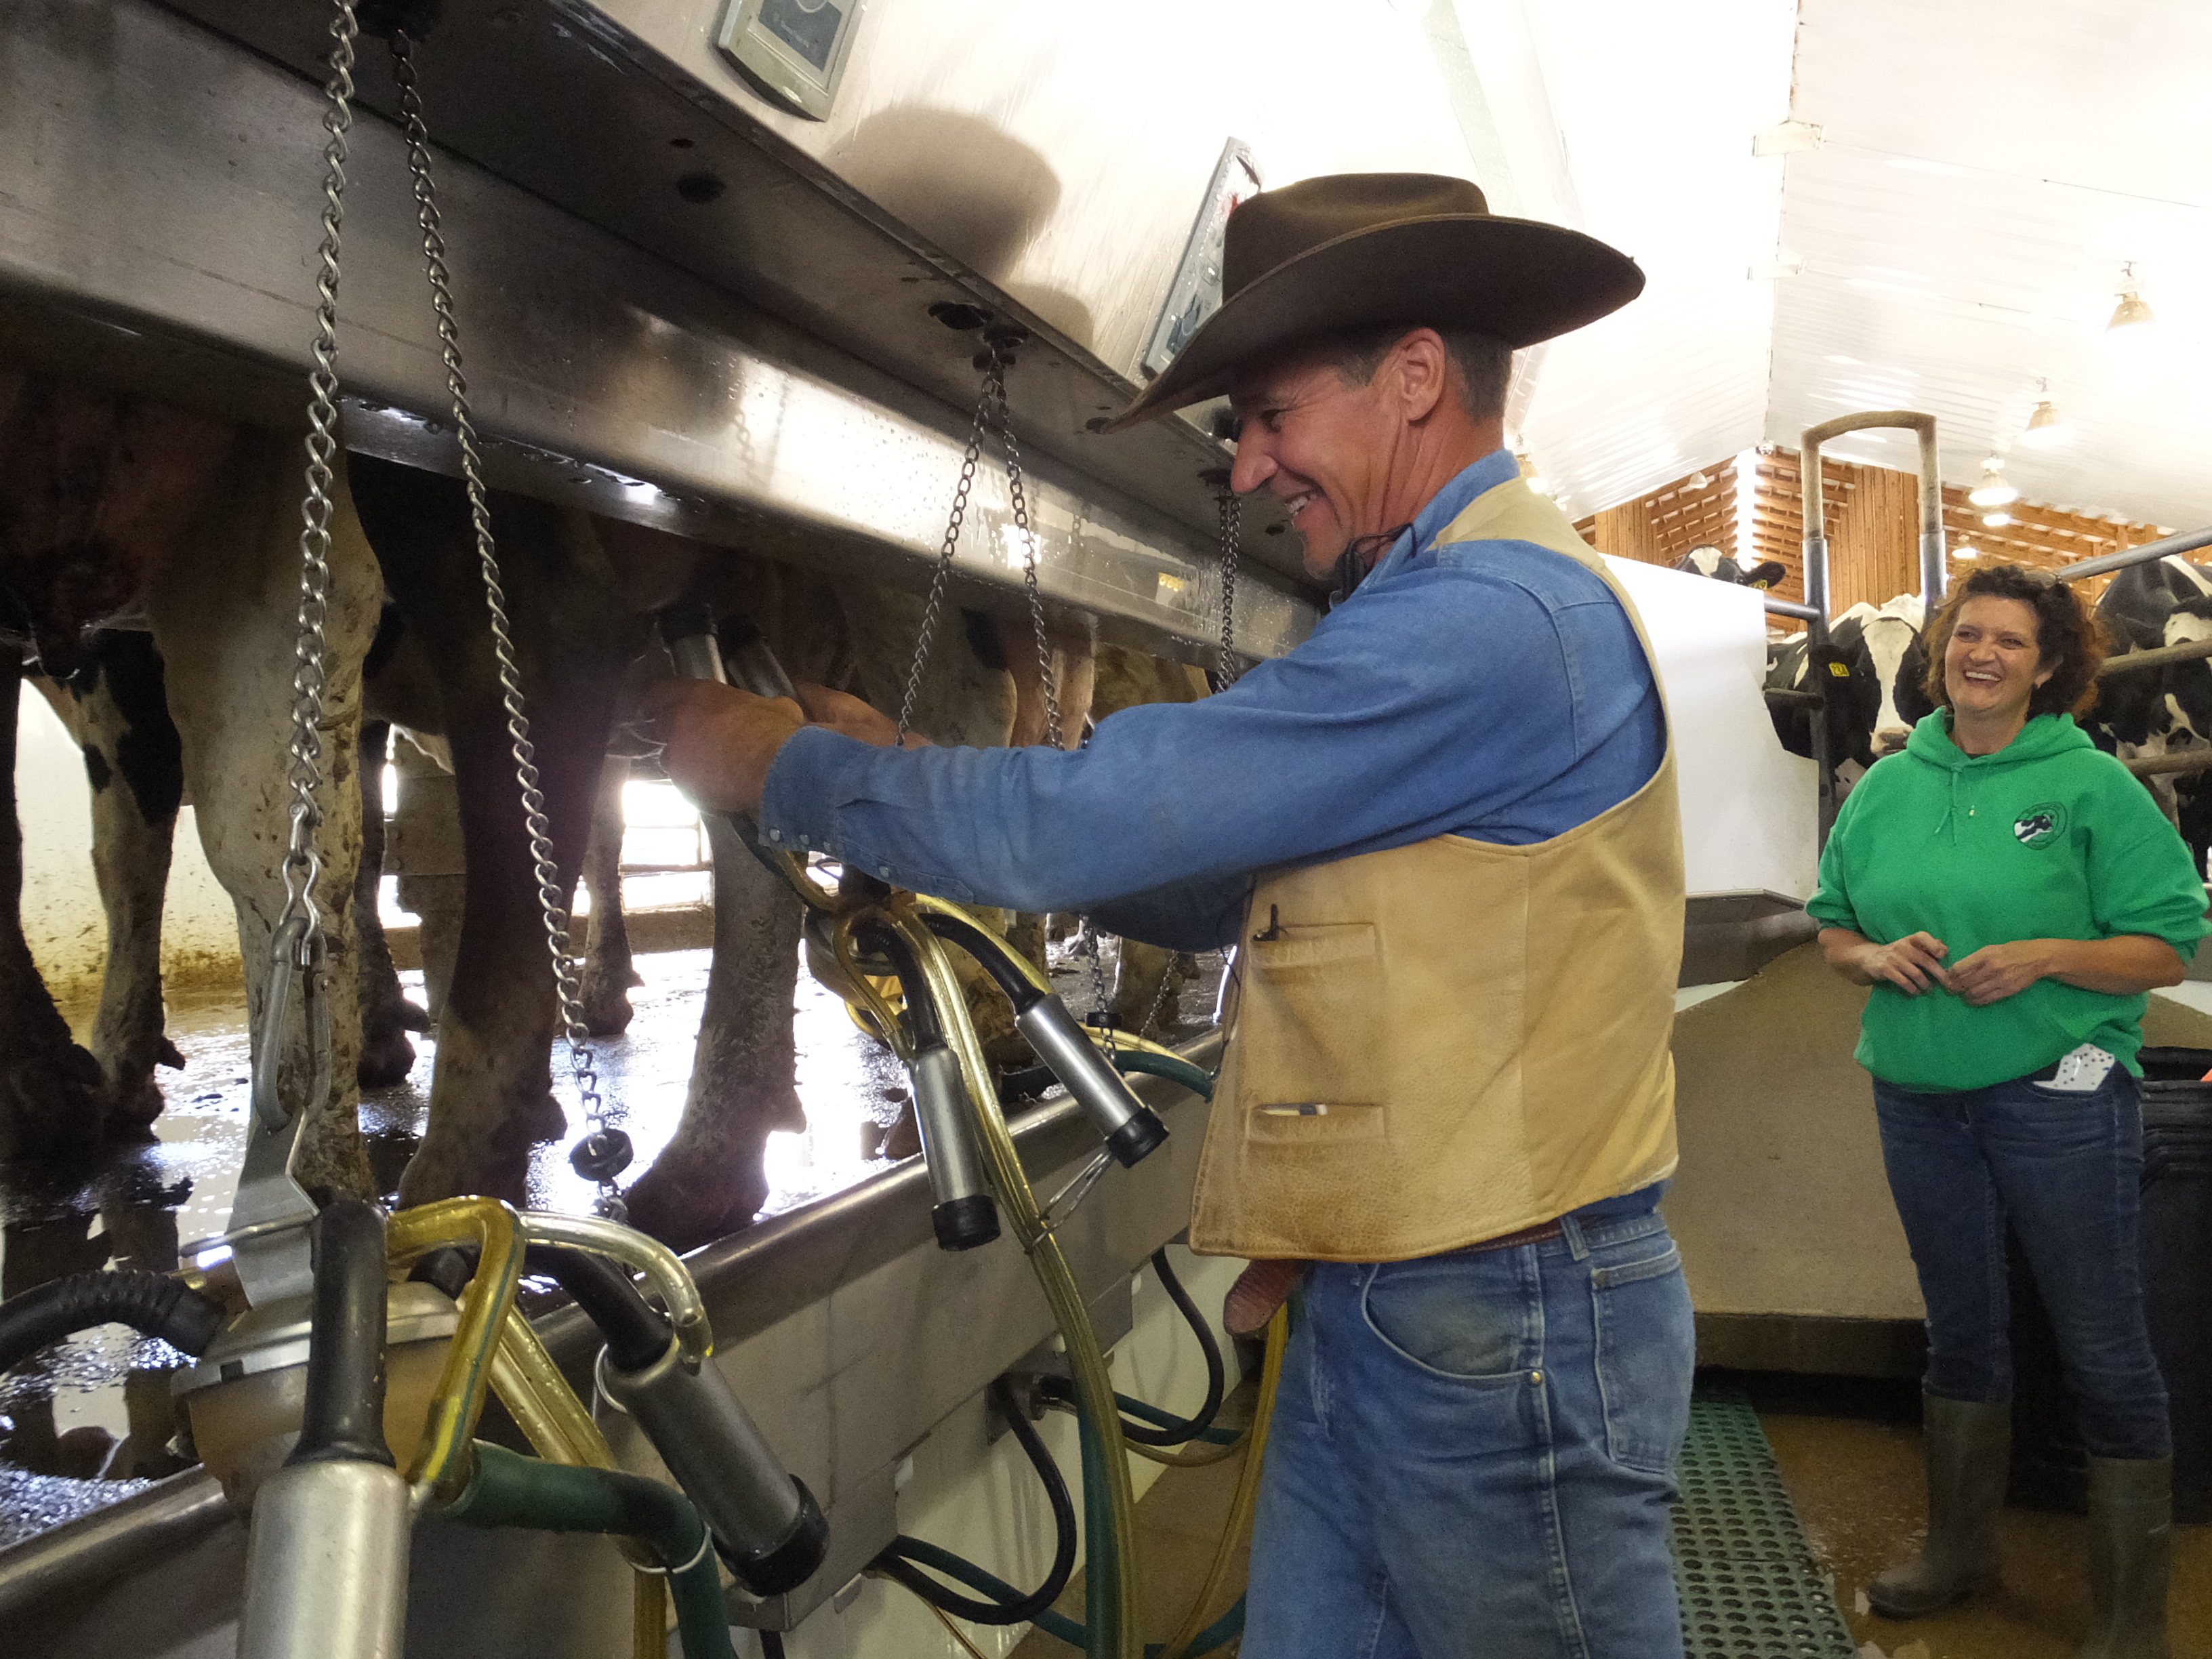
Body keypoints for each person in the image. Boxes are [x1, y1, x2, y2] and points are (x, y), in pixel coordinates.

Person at [654, 173, 1695, 1656]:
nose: (1256, 470)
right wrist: (906, 769)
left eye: (1270, 416)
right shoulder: (1447, 603)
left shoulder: (1492, 622)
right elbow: (1207, 885)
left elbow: (1090, 821)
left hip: (1503, 1315)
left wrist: (784, 769)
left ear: (1411, 378)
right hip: (1401, 1296)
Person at [1807, 563, 2203, 1657]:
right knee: (1962, 1331)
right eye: (1967, 634)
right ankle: (1961, 1549)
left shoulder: (2092, 788)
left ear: (2050, 665)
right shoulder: (1888, 784)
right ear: (1939, 652)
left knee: (2103, 1342)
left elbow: (2170, 943)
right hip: (1919, 1098)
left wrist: (2047, 957)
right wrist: (1873, 956)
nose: (1982, 654)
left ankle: (2131, 1620)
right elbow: (1835, 925)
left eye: (2011, 642)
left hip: (2059, 1098)